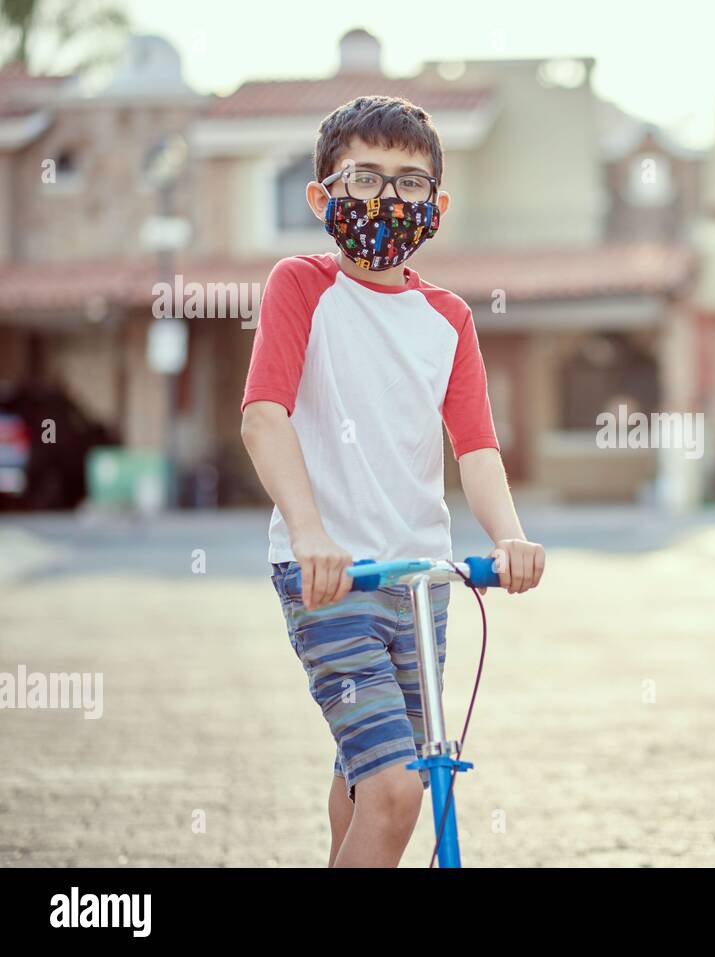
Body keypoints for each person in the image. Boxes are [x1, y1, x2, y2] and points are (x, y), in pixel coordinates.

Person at [240, 95, 544, 867]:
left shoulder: (447, 318)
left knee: (369, 770)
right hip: (330, 577)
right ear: (322, 197)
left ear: (436, 206)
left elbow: (475, 449)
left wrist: (508, 537)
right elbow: (263, 418)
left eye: (410, 183)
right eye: (365, 177)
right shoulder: (302, 286)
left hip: (420, 579)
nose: (387, 198)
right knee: (399, 787)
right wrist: (311, 534)